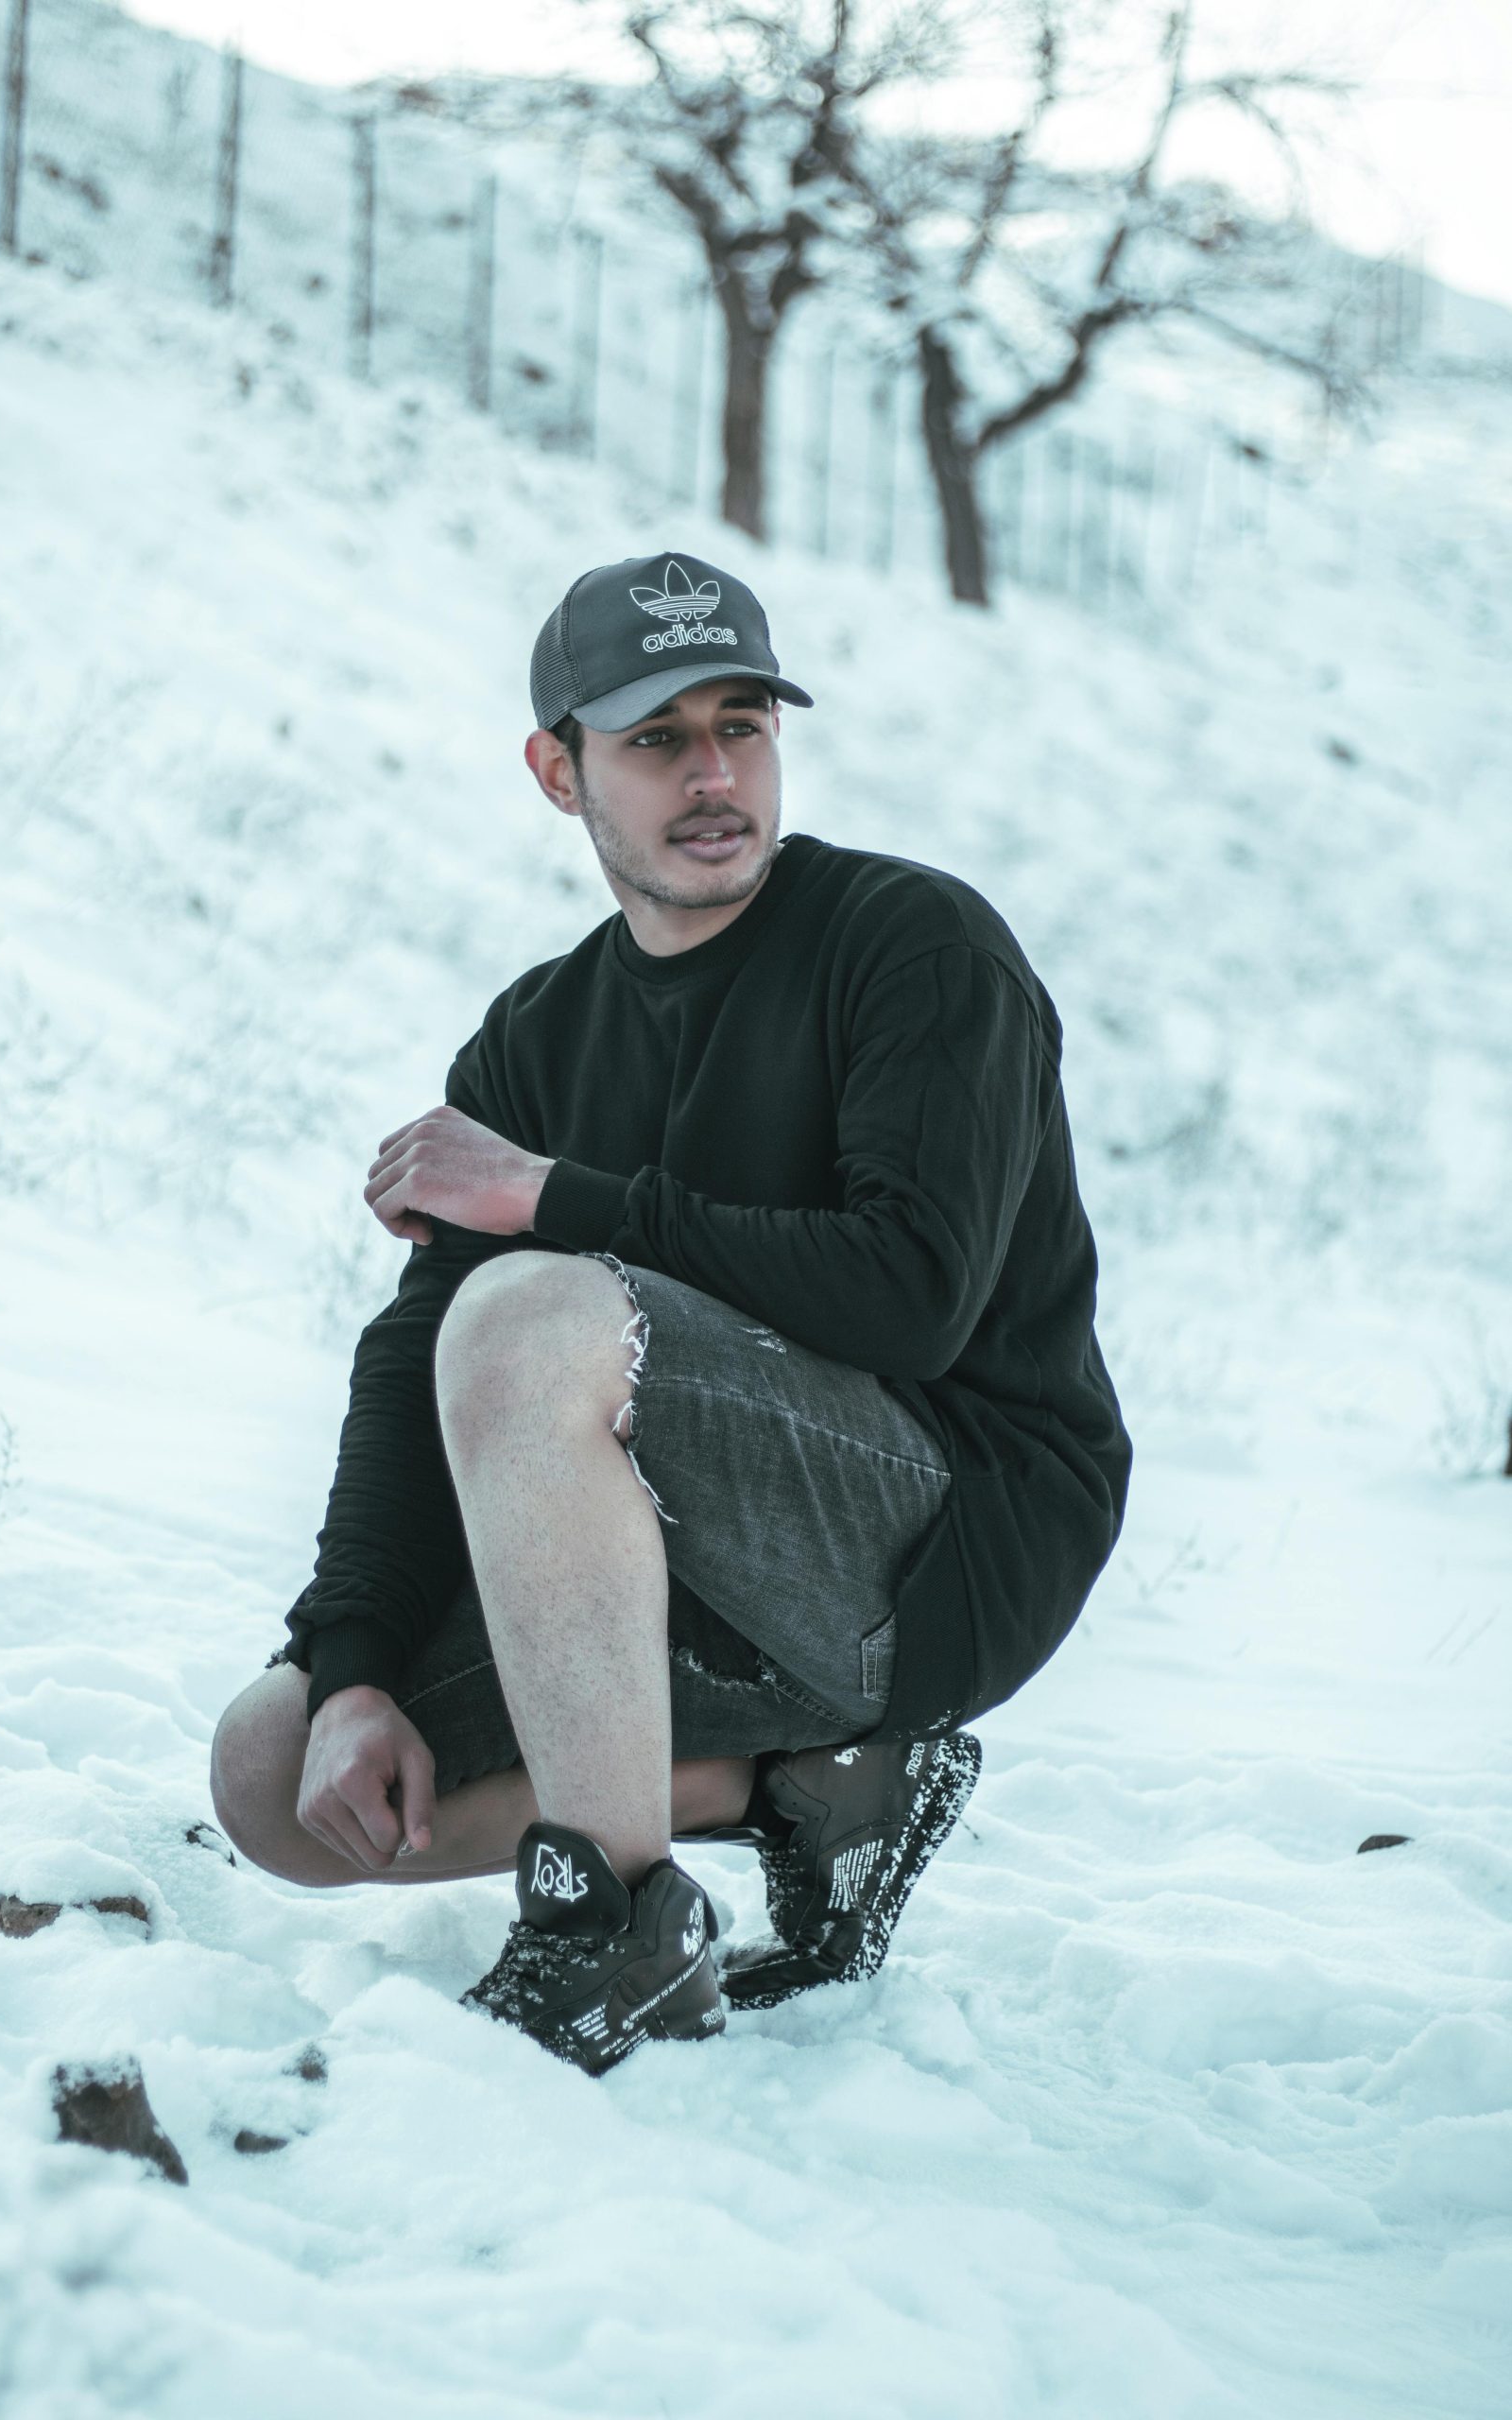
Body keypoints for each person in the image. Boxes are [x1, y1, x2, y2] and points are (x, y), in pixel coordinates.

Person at [209, 549, 1132, 2074]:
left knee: (529, 1315)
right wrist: (358, 1664)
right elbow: (412, 1369)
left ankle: (613, 1933)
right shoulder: (535, 1037)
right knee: (273, 1774)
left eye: (741, 727)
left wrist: (555, 1199)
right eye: (656, 739)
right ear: (557, 772)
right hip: (686, 1558)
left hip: (948, 1538)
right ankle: (810, 1793)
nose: (714, 775)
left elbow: (910, 1297)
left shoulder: (915, 945)